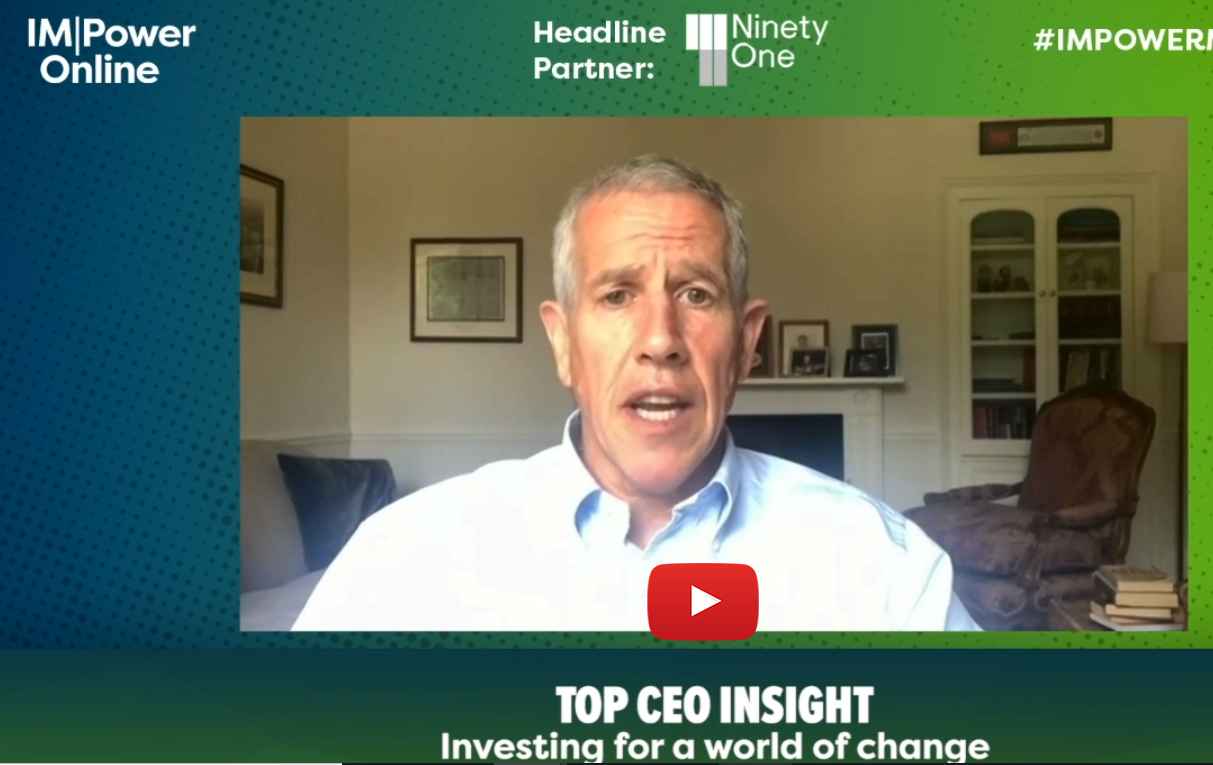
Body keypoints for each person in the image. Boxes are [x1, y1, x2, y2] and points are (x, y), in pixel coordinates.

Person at [291, 155, 981, 632]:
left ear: (747, 343)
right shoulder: (407, 556)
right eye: (618, 295)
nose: (660, 339)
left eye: (696, 294)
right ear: (563, 341)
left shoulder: (883, 563)